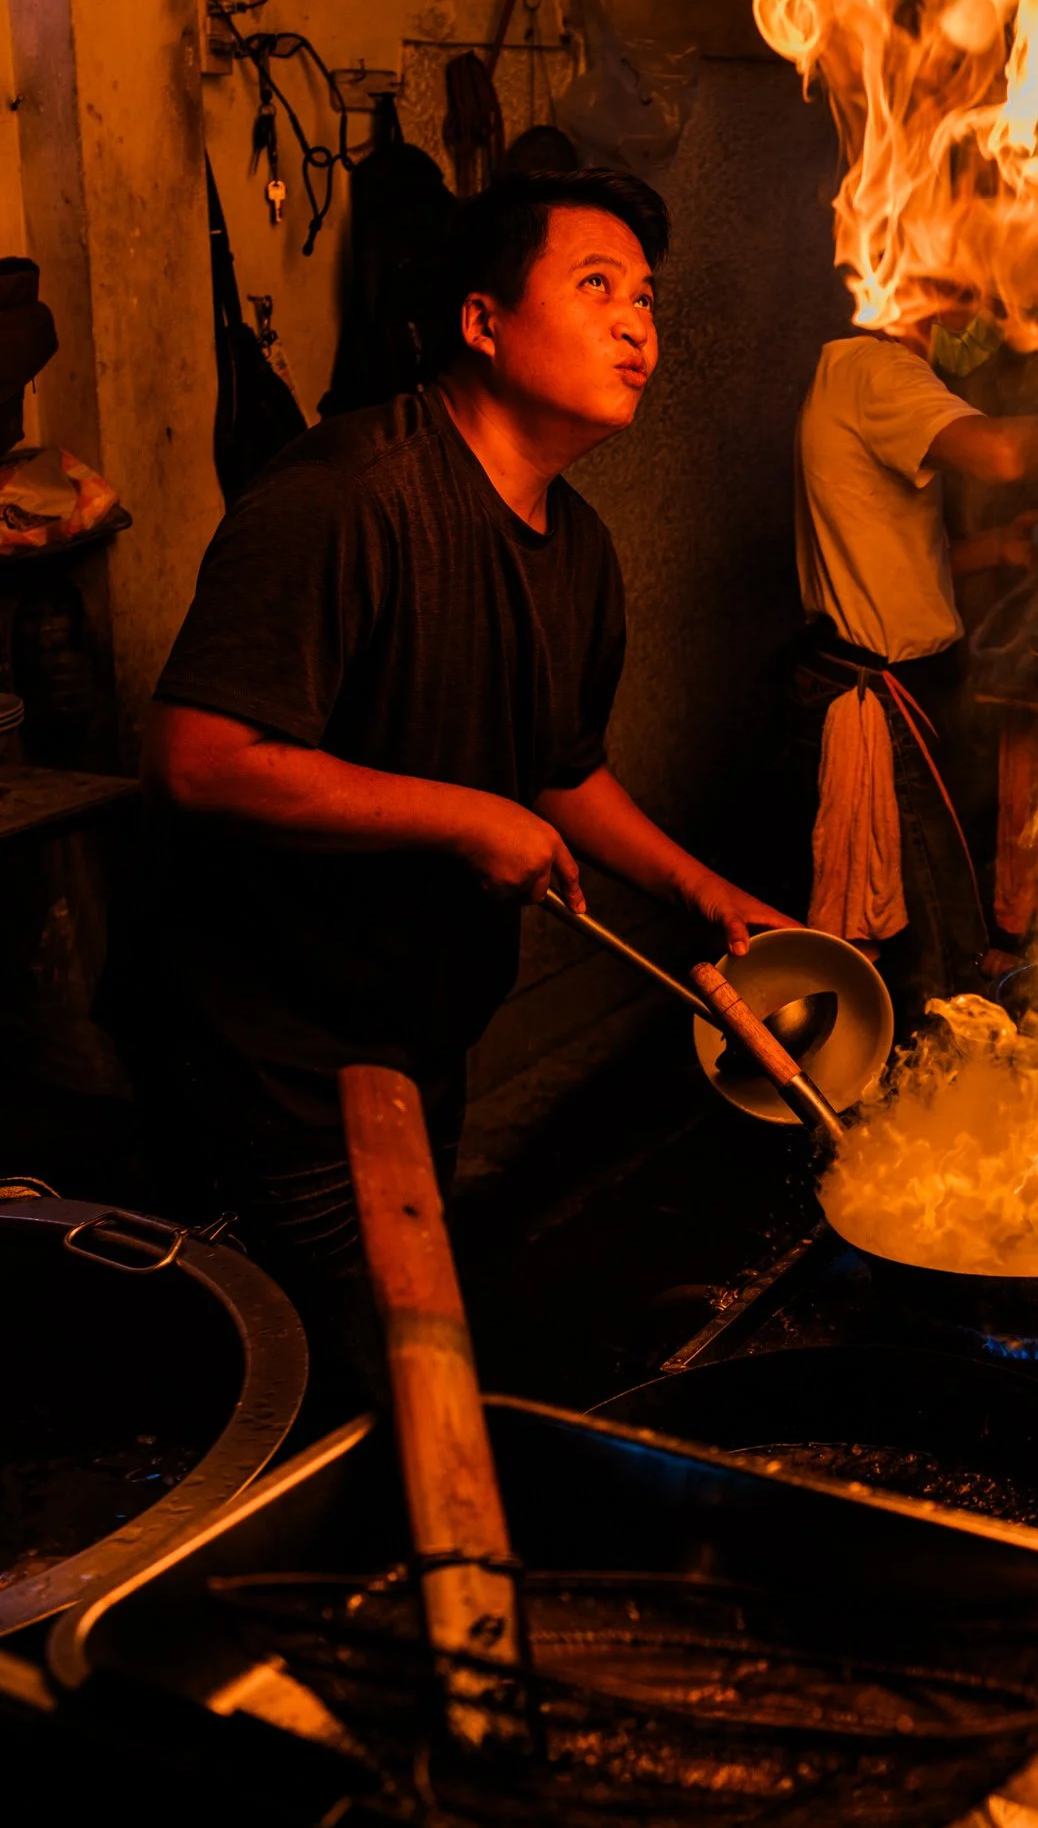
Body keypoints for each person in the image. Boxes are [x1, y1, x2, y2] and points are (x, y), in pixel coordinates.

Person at [134, 168, 789, 1390]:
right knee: (369, 1384)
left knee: (416, 1350)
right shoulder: (349, 498)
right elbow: (194, 761)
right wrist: (457, 817)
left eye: (646, 297)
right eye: (595, 287)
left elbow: (557, 771)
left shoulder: (578, 548)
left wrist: (704, 894)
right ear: (483, 323)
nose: (636, 323)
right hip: (277, 1059)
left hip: (421, 1035)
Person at [789, 323, 1038, 1023]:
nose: (988, 316)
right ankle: (923, 1105)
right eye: (973, 292)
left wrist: (998, 548)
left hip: (880, 683)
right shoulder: (881, 370)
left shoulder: (850, 373)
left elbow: (891, 552)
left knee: (933, 930)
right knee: (937, 953)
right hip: (876, 698)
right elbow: (1003, 454)